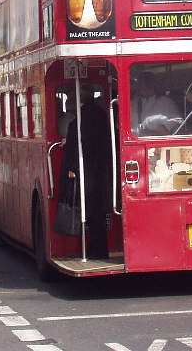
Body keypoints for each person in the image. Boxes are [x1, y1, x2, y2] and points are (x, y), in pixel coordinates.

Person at [60, 84, 111, 260]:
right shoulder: (99, 113)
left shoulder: (83, 118)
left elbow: (82, 144)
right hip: (100, 168)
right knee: (96, 210)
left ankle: (98, 249)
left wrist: (74, 168)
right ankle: (98, 247)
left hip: (87, 170)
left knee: (91, 211)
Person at [131, 71, 182, 136]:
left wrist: (166, 127)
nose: (145, 87)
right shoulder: (132, 105)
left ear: (154, 85)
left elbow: (179, 122)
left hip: (161, 142)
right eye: (141, 84)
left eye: (148, 83)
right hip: (137, 143)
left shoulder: (166, 102)